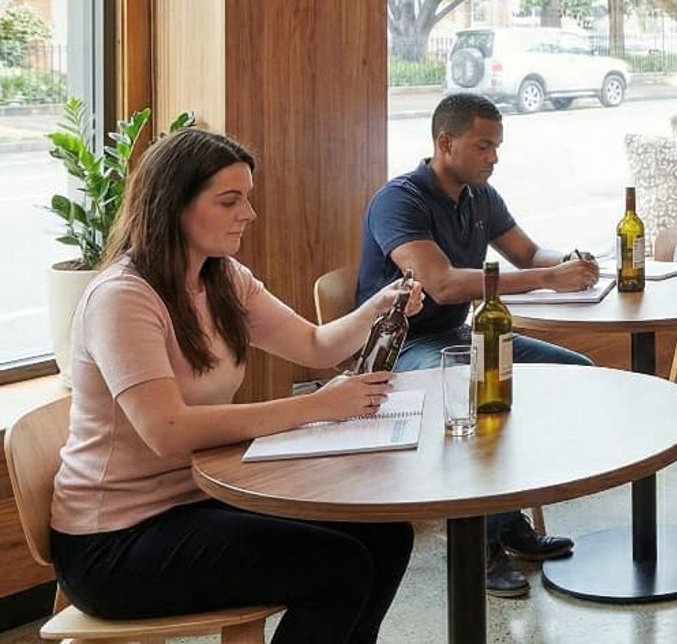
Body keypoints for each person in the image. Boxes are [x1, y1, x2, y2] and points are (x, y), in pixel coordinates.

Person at [51, 128, 417, 644]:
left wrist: (378, 307)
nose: (248, 213)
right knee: (338, 568)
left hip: (198, 499)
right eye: (230, 201)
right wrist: (315, 407)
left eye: (247, 198)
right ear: (172, 205)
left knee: (386, 534)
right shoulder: (122, 297)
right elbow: (167, 430)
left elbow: (314, 345)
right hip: (114, 540)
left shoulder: (223, 279)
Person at [355, 92, 593, 597]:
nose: (494, 158)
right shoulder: (400, 200)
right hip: (403, 349)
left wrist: (569, 260)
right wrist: (549, 278)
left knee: (576, 373)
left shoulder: (481, 196)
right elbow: (440, 284)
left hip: (459, 338)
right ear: (445, 142)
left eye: (497, 146)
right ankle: (481, 545)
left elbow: (528, 253)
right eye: (484, 146)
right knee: (478, 398)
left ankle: (507, 522)